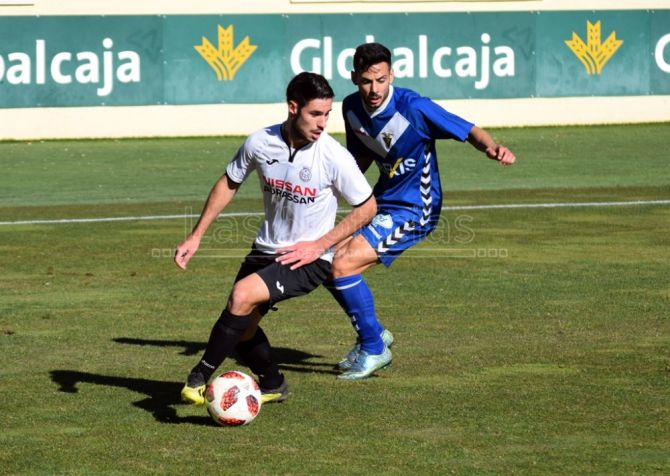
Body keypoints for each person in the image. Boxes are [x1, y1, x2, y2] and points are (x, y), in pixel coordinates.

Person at [175, 72, 376, 405]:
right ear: (293, 107)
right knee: (243, 329)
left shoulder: (333, 156)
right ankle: (273, 385)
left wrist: (319, 245)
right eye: (315, 114)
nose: (323, 123)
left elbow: (368, 207)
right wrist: (196, 236)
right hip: (265, 248)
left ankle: (197, 378)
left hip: (307, 259)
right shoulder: (260, 142)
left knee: (241, 296)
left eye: (327, 114)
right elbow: (229, 182)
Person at [326, 42, 517, 380]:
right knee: (329, 259)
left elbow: (467, 129)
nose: (374, 89)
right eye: (367, 81)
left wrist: (492, 147)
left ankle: (374, 349)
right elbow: (364, 155)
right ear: (355, 77)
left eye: (381, 80)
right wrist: (335, 188)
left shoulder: (414, 107)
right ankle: (374, 335)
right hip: (383, 199)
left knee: (343, 263)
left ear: (391, 75)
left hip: (417, 207)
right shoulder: (351, 107)